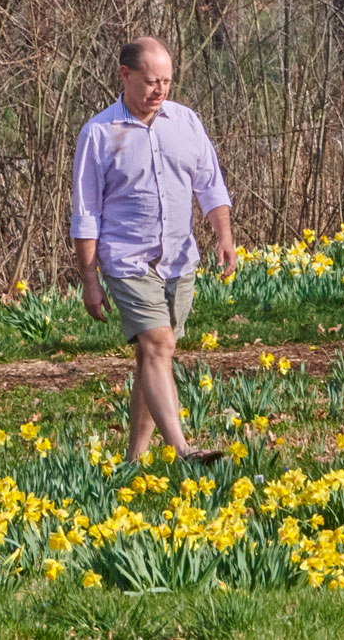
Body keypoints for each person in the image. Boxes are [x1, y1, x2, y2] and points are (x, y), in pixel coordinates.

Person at [72, 37, 236, 463]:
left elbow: (210, 184)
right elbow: (86, 211)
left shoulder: (186, 122)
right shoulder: (98, 134)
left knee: (152, 357)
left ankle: (134, 459)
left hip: (180, 260)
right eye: (149, 81)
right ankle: (183, 450)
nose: (159, 90)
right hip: (127, 259)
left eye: (166, 80)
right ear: (124, 75)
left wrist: (224, 236)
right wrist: (90, 279)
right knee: (159, 344)